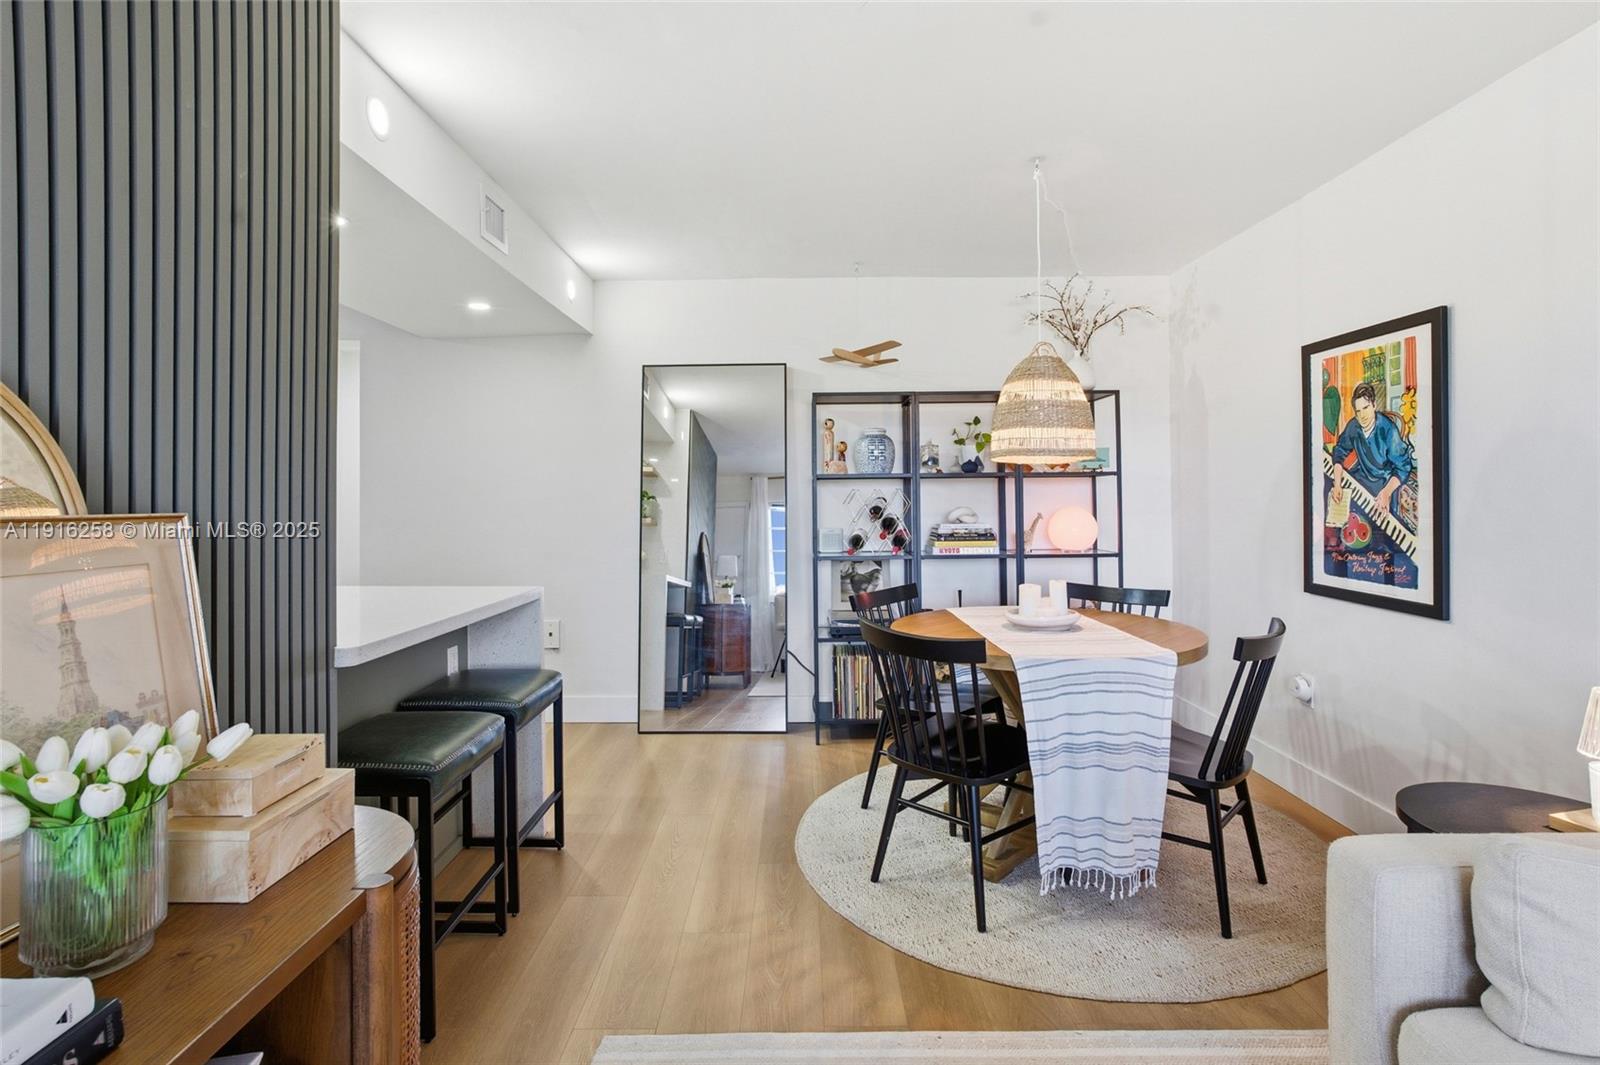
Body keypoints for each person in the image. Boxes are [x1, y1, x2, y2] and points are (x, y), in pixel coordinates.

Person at [1330, 381, 1412, 517]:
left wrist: (1386, 492)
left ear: (1374, 405)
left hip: (1383, 484)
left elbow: (1403, 467)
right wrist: (1337, 483)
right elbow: (1339, 451)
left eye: (1366, 408)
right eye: (1358, 411)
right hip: (1361, 478)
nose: (1362, 415)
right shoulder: (1353, 426)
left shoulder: (1388, 430)